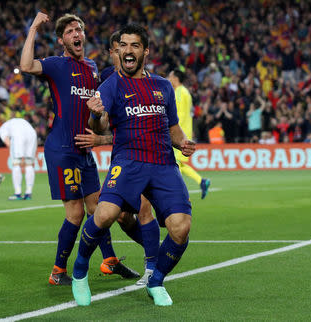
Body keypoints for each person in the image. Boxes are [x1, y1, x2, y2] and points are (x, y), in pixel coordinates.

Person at [72, 23, 196, 306]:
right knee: (104, 215)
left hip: (164, 164)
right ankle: (80, 271)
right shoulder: (111, 85)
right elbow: (100, 123)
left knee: (181, 227)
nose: (127, 50)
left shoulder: (163, 86)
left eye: (134, 45)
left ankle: (156, 280)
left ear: (145, 52)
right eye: (123, 45)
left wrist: (183, 142)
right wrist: (94, 115)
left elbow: (173, 128)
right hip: (128, 162)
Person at [20, 12, 139, 286]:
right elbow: (26, 65)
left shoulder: (92, 68)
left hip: (84, 152)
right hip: (62, 149)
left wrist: (102, 133)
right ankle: (58, 271)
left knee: (98, 207)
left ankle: (109, 260)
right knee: (75, 214)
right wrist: (35, 27)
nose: (77, 34)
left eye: (79, 30)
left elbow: (97, 110)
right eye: (71, 31)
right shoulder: (56, 65)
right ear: (62, 40)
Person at [75, 30, 160, 286]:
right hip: (122, 159)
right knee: (120, 216)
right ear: (112, 52)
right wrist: (96, 122)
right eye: (117, 48)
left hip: (145, 157)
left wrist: (100, 140)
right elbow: (102, 125)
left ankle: (153, 264)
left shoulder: (146, 82)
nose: (122, 52)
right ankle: (129, 256)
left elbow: (139, 131)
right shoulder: (108, 82)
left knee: (144, 208)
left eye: (127, 47)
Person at [168, 68, 211, 199]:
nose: (169, 78)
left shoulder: (179, 92)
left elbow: (178, 114)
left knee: (175, 163)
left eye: (170, 76)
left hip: (179, 133)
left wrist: (173, 132)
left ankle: (177, 192)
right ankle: (201, 181)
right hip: (185, 131)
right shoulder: (185, 92)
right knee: (179, 162)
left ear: (176, 78)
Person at [0, 118, 37, 200]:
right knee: (29, 164)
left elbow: (7, 142)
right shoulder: (15, 122)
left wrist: (16, 153)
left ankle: (17, 193)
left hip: (19, 135)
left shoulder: (2, 129)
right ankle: (28, 193)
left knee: (16, 164)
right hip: (32, 133)